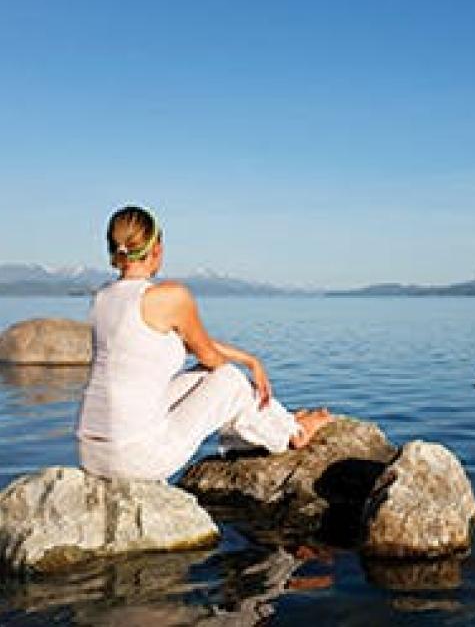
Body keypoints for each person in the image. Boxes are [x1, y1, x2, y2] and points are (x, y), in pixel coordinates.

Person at [76, 205, 332, 481]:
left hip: (91, 453)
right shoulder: (170, 296)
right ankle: (292, 432)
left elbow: (193, 345)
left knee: (203, 375)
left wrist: (250, 360)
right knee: (230, 379)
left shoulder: (102, 297)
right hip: (135, 459)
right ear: (157, 248)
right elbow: (212, 358)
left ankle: (279, 423)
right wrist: (249, 367)